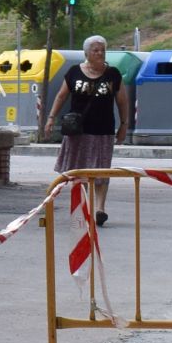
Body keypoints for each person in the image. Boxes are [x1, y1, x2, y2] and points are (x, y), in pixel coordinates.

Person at [46, 35, 132, 220]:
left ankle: (99, 209)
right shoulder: (74, 72)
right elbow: (61, 96)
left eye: (102, 50)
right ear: (86, 53)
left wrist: (124, 124)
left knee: (101, 171)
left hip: (103, 129)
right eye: (95, 50)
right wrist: (51, 117)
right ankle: (83, 206)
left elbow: (122, 101)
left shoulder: (113, 74)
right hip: (78, 130)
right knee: (80, 170)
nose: (100, 53)